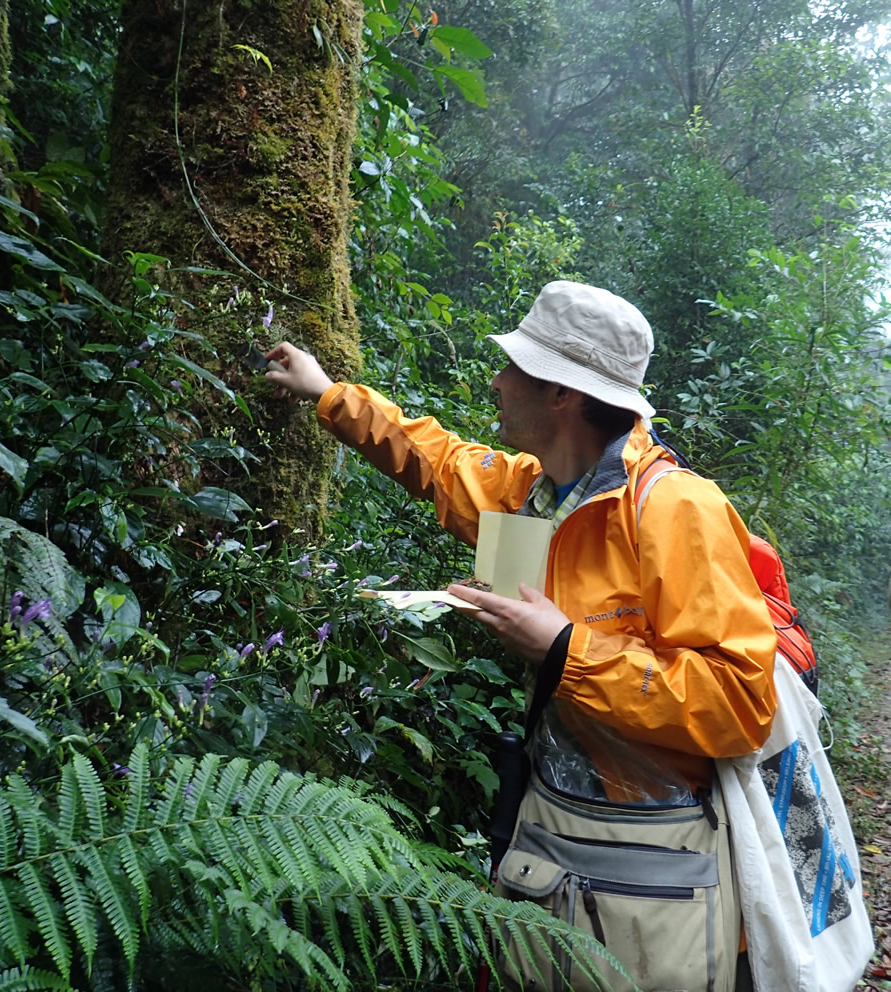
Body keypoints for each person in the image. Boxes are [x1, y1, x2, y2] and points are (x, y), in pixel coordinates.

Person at [265, 280, 777, 991]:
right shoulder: (536, 493)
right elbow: (437, 461)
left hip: (652, 860)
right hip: (545, 829)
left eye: (515, 368)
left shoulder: (676, 510)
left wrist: (566, 649)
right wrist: (325, 392)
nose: (498, 380)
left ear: (562, 394)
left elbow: (738, 704)